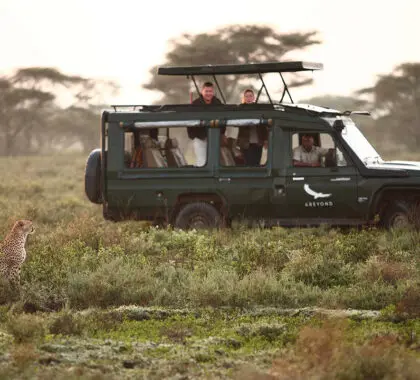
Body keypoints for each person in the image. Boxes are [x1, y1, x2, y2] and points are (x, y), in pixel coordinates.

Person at [187, 82, 226, 166]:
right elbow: (190, 122)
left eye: (210, 91)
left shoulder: (218, 103)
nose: (208, 93)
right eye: (206, 91)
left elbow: (223, 119)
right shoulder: (195, 104)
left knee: (215, 161)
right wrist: (194, 136)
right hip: (200, 138)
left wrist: (221, 134)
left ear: (213, 92)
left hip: (214, 138)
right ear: (202, 91)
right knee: (201, 160)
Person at [236, 89, 268, 166]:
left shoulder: (258, 109)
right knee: (248, 163)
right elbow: (236, 123)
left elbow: (263, 126)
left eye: (250, 96)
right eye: (246, 96)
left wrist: (266, 140)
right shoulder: (240, 109)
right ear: (244, 98)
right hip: (245, 143)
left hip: (258, 142)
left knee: (257, 162)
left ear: (254, 98)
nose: (249, 98)